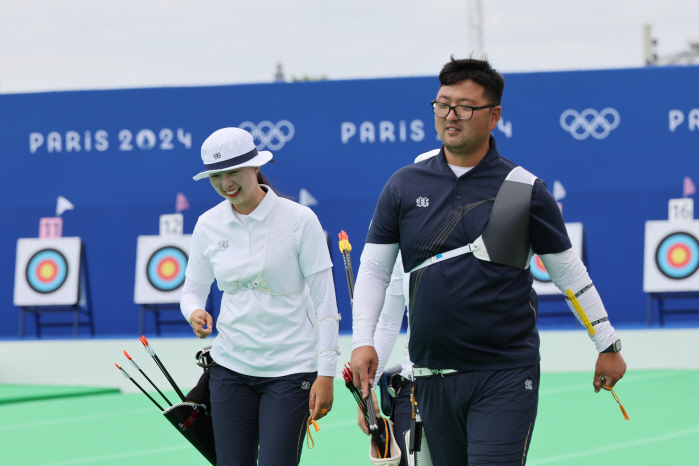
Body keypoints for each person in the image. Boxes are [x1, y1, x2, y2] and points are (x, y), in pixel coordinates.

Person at [350, 57, 626, 466]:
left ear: (494, 115)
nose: (450, 116)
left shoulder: (524, 189)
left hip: (506, 374)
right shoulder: (403, 185)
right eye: (442, 105)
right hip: (431, 377)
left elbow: (568, 272)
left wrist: (607, 344)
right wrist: (362, 342)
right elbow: (374, 270)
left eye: (465, 106)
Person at [180, 127, 341, 466]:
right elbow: (192, 289)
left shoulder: (299, 219)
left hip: (291, 371)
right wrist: (194, 311)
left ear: (255, 167)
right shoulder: (208, 224)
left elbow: (326, 304)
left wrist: (326, 374)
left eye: (234, 171)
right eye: (217, 175)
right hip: (230, 369)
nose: (226, 183)